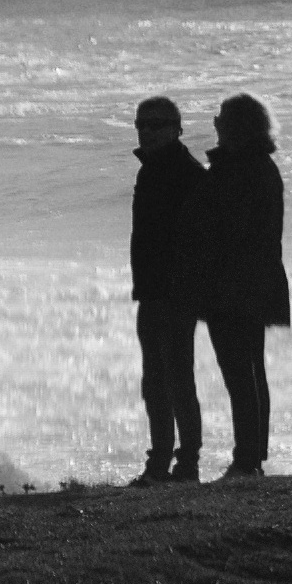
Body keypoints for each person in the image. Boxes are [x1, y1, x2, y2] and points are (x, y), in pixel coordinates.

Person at [204, 92, 292, 479]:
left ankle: (246, 460)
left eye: (222, 116)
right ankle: (252, 456)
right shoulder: (257, 165)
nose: (215, 122)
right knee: (250, 369)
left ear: (237, 126)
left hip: (237, 282)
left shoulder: (241, 168)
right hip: (254, 279)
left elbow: (226, 228)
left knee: (240, 371)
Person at [125, 95, 211, 482]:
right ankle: (159, 461)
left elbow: (199, 240)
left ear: (178, 128)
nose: (147, 130)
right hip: (151, 290)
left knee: (177, 379)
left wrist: (186, 287)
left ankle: (186, 462)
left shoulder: (187, 172)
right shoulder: (150, 170)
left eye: (156, 124)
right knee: (154, 381)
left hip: (176, 292)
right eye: (142, 124)